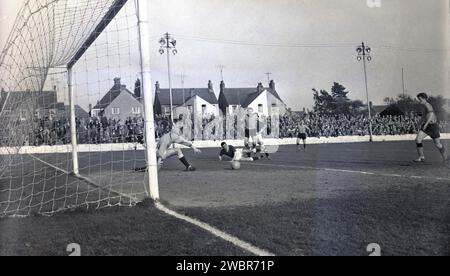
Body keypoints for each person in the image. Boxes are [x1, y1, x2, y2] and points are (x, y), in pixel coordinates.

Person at [136, 119, 201, 172]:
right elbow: (161, 149)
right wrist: (159, 161)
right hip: (157, 153)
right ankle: (139, 169)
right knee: (154, 169)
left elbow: (184, 142)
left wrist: (194, 148)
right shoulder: (169, 138)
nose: (181, 133)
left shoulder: (171, 135)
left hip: (158, 152)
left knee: (177, 150)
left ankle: (188, 166)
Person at [414, 93, 448, 164]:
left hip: (433, 127)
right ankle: (421, 157)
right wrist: (419, 124)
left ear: (424, 98)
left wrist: (425, 124)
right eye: (418, 99)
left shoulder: (427, 105)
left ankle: (445, 157)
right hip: (427, 126)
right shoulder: (424, 106)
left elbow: (431, 115)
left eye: (420, 99)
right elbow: (423, 116)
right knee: (418, 139)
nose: (419, 101)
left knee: (438, 144)